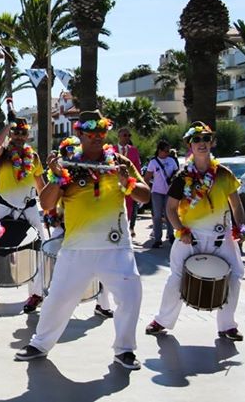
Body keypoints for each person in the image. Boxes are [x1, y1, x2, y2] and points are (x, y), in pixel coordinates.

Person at [15, 110, 150, 371]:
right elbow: (46, 203)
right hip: (76, 248)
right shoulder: (67, 164)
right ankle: (40, 344)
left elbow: (145, 196)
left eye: (102, 131)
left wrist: (128, 182)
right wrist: (57, 176)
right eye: (91, 132)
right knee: (58, 299)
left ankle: (125, 349)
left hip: (116, 248)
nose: (98, 137)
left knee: (131, 296)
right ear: (79, 133)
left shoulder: (119, 162)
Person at [146, 122, 245, 341]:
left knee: (236, 275)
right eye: (197, 139)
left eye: (206, 138)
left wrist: (239, 228)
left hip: (222, 236)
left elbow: (236, 205)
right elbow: (170, 208)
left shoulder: (224, 174)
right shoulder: (183, 177)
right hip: (190, 236)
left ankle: (227, 325)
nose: (202, 143)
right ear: (190, 145)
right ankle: (162, 321)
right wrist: (180, 229)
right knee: (176, 277)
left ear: (212, 142)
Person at [0, 98, 46, 313]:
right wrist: (9, 125)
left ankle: (36, 294)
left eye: (23, 133)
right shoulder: (3, 154)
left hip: (29, 207)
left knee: (40, 247)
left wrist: (49, 207)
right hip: (3, 206)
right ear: (12, 134)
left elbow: (40, 184)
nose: (20, 136)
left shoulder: (34, 157)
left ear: (28, 135)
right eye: (17, 133)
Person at [58, 136, 115, 319]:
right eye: (67, 150)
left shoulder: (97, 168)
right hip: (68, 227)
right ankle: (56, 305)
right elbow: (53, 200)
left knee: (104, 269)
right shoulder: (63, 170)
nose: (71, 153)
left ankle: (103, 305)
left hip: (94, 226)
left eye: (74, 149)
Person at [145, 140, 179, 247]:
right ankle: (157, 239)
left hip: (170, 192)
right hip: (157, 192)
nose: (168, 153)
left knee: (170, 214)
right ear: (159, 150)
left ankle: (171, 235)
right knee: (157, 216)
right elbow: (147, 177)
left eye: (169, 151)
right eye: (166, 151)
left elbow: (178, 174)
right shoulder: (153, 162)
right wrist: (145, 190)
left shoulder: (171, 160)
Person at [113, 127, 141, 237]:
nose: (127, 137)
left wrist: (139, 183)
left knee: (129, 209)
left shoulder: (134, 150)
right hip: (114, 185)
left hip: (129, 184)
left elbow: (137, 168)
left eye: (129, 135)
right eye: (125, 135)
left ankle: (125, 230)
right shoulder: (112, 150)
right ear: (119, 136)